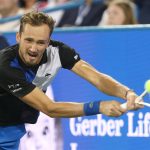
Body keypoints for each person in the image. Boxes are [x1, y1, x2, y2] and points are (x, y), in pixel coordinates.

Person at [0, 11, 141, 150]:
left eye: (40, 42)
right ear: (18, 37)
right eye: (28, 40)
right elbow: (50, 108)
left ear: (48, 42)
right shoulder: (5, 66)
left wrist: (127, 93)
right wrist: (99, 107)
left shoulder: (57, 52)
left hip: (11, 132)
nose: (33, 48)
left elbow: (97, 78)